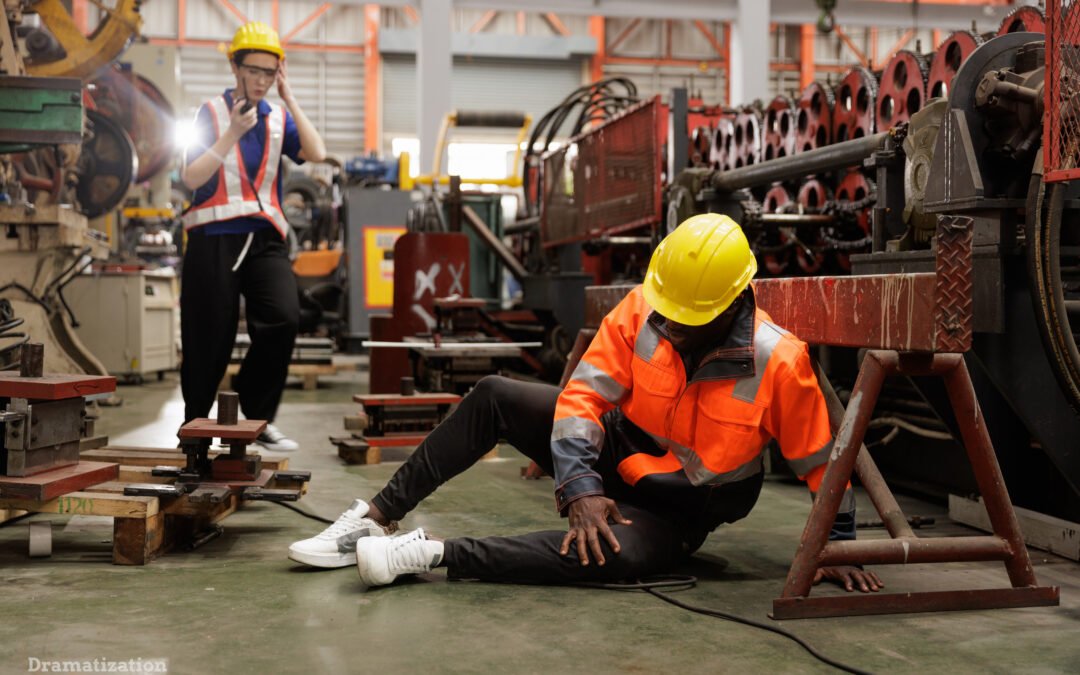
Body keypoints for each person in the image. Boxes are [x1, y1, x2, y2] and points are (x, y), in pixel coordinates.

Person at [289, 214, 883, 593]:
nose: (667, 327)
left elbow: (819, 464)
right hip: (620, 454)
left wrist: (838, 547)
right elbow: (583, 396)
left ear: (730, 307)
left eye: (684, 321)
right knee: (497, 395)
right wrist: (581, 486)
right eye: (664, 312)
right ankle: (374, 518)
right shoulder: (646, 307)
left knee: (617, 555)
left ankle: (424, 555)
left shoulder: (779, 361)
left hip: (687, 504)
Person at [180, 21, 326, 451]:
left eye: (270, 71)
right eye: (254, 70)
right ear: (235, 66)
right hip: (214, 238)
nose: (261, 80)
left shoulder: (279, 117)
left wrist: (291, 97)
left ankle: (254, 416)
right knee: (208, 337)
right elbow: (191, 177)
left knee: (284, 317)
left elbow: (316, 153)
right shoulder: (208, 113)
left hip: (265, 239)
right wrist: (232, 134)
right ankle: (195, 431)